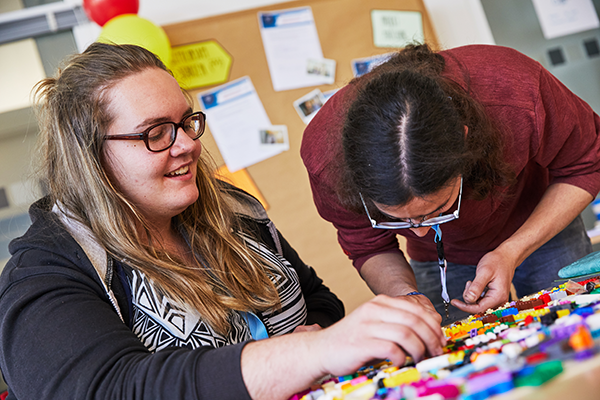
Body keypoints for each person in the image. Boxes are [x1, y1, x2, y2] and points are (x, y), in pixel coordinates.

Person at [0, 43, 446, 400]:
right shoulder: (44, 274)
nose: (187, 145)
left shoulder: (233, 208)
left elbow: (316, 300)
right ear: (91, 157)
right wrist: (303, 353)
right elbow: (113, 387)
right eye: (156, 133)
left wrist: (321, 339)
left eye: (186, 121)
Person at [300, 43, 600, 323]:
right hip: (440, 260)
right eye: (397, 219)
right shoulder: (324, 158)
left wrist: (512, 251)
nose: (418, 230)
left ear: (465, 143)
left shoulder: (515, 90)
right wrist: (404, 294)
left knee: (580, 326)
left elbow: (587, 163)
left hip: (542, 229)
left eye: (439, 208)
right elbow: (367, 246)